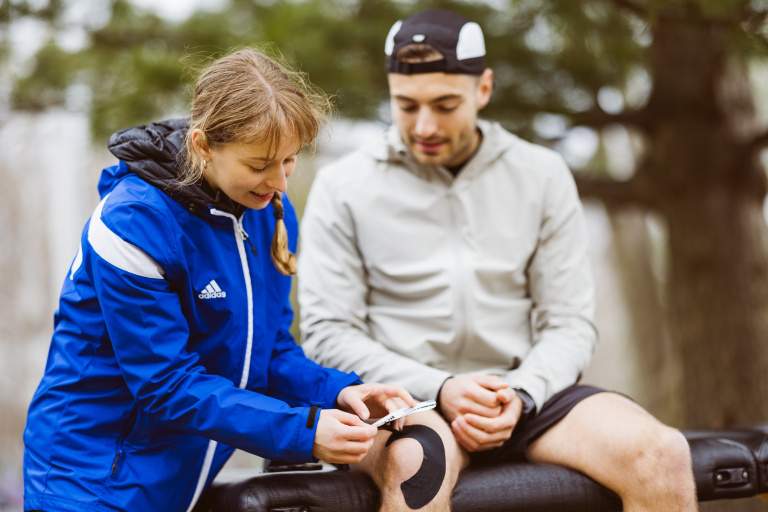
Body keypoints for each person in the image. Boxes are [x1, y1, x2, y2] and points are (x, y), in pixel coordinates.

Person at [298, 9, 698, 511]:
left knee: (662, 454)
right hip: (409, 402)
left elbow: (570, 322)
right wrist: (441, 389)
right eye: (406, 105)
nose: (424, 125)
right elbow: (327, 332)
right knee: (417, 467)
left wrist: (522, 393)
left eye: (445, 104)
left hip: (526, 394)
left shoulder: (542, 174)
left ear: (483, 89)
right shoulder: (344, 186)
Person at [22, 47, 415, 512]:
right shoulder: (133, 224)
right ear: (202, 145)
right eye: (259, 164)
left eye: (289, 160)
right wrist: (304, 431)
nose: (280, 182)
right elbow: (166, 385)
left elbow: (265, 352)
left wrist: (339, 392)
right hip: (88, 479)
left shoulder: (266, 210)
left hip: (177, 477)